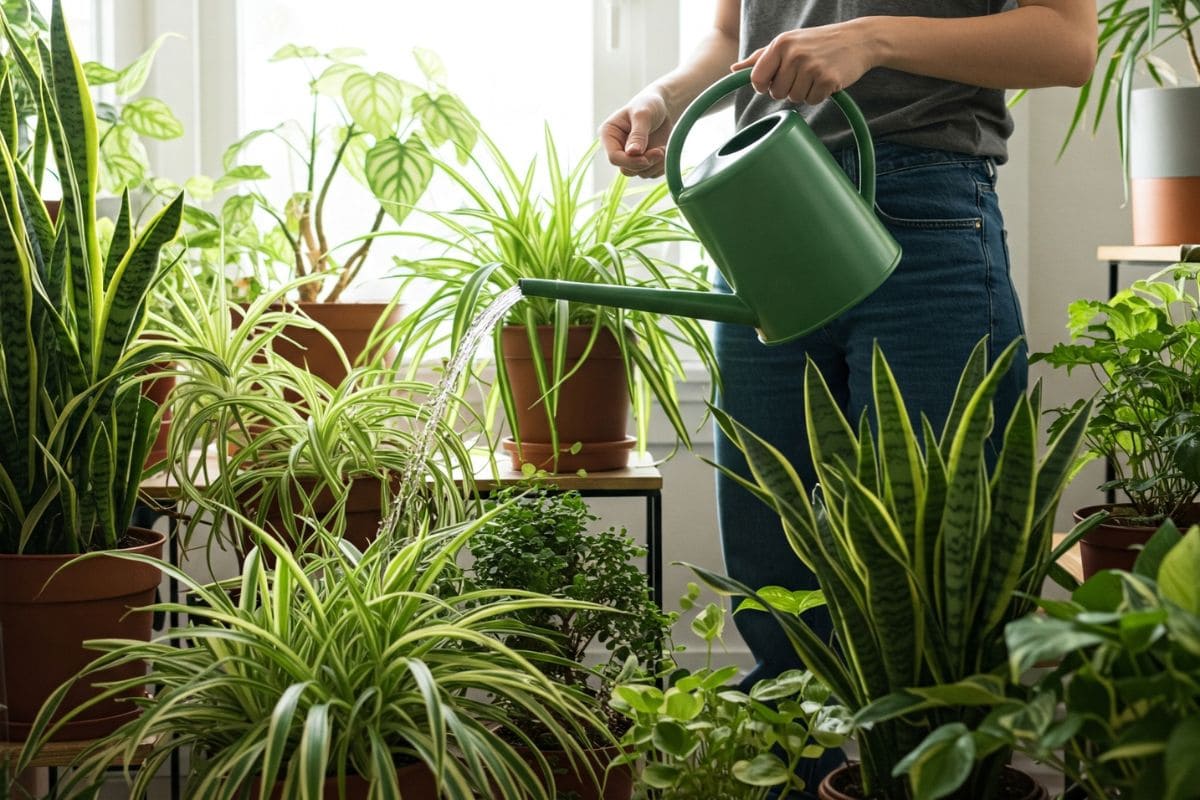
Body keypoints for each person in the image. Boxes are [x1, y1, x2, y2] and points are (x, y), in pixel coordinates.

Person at [601, 1, 1095, 793]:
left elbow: (1067, 41)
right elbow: (732, 34)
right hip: (760, 204)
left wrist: (873, 39)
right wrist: (664, 96)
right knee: (778, 598)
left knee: (942, 600)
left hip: (924, 213)